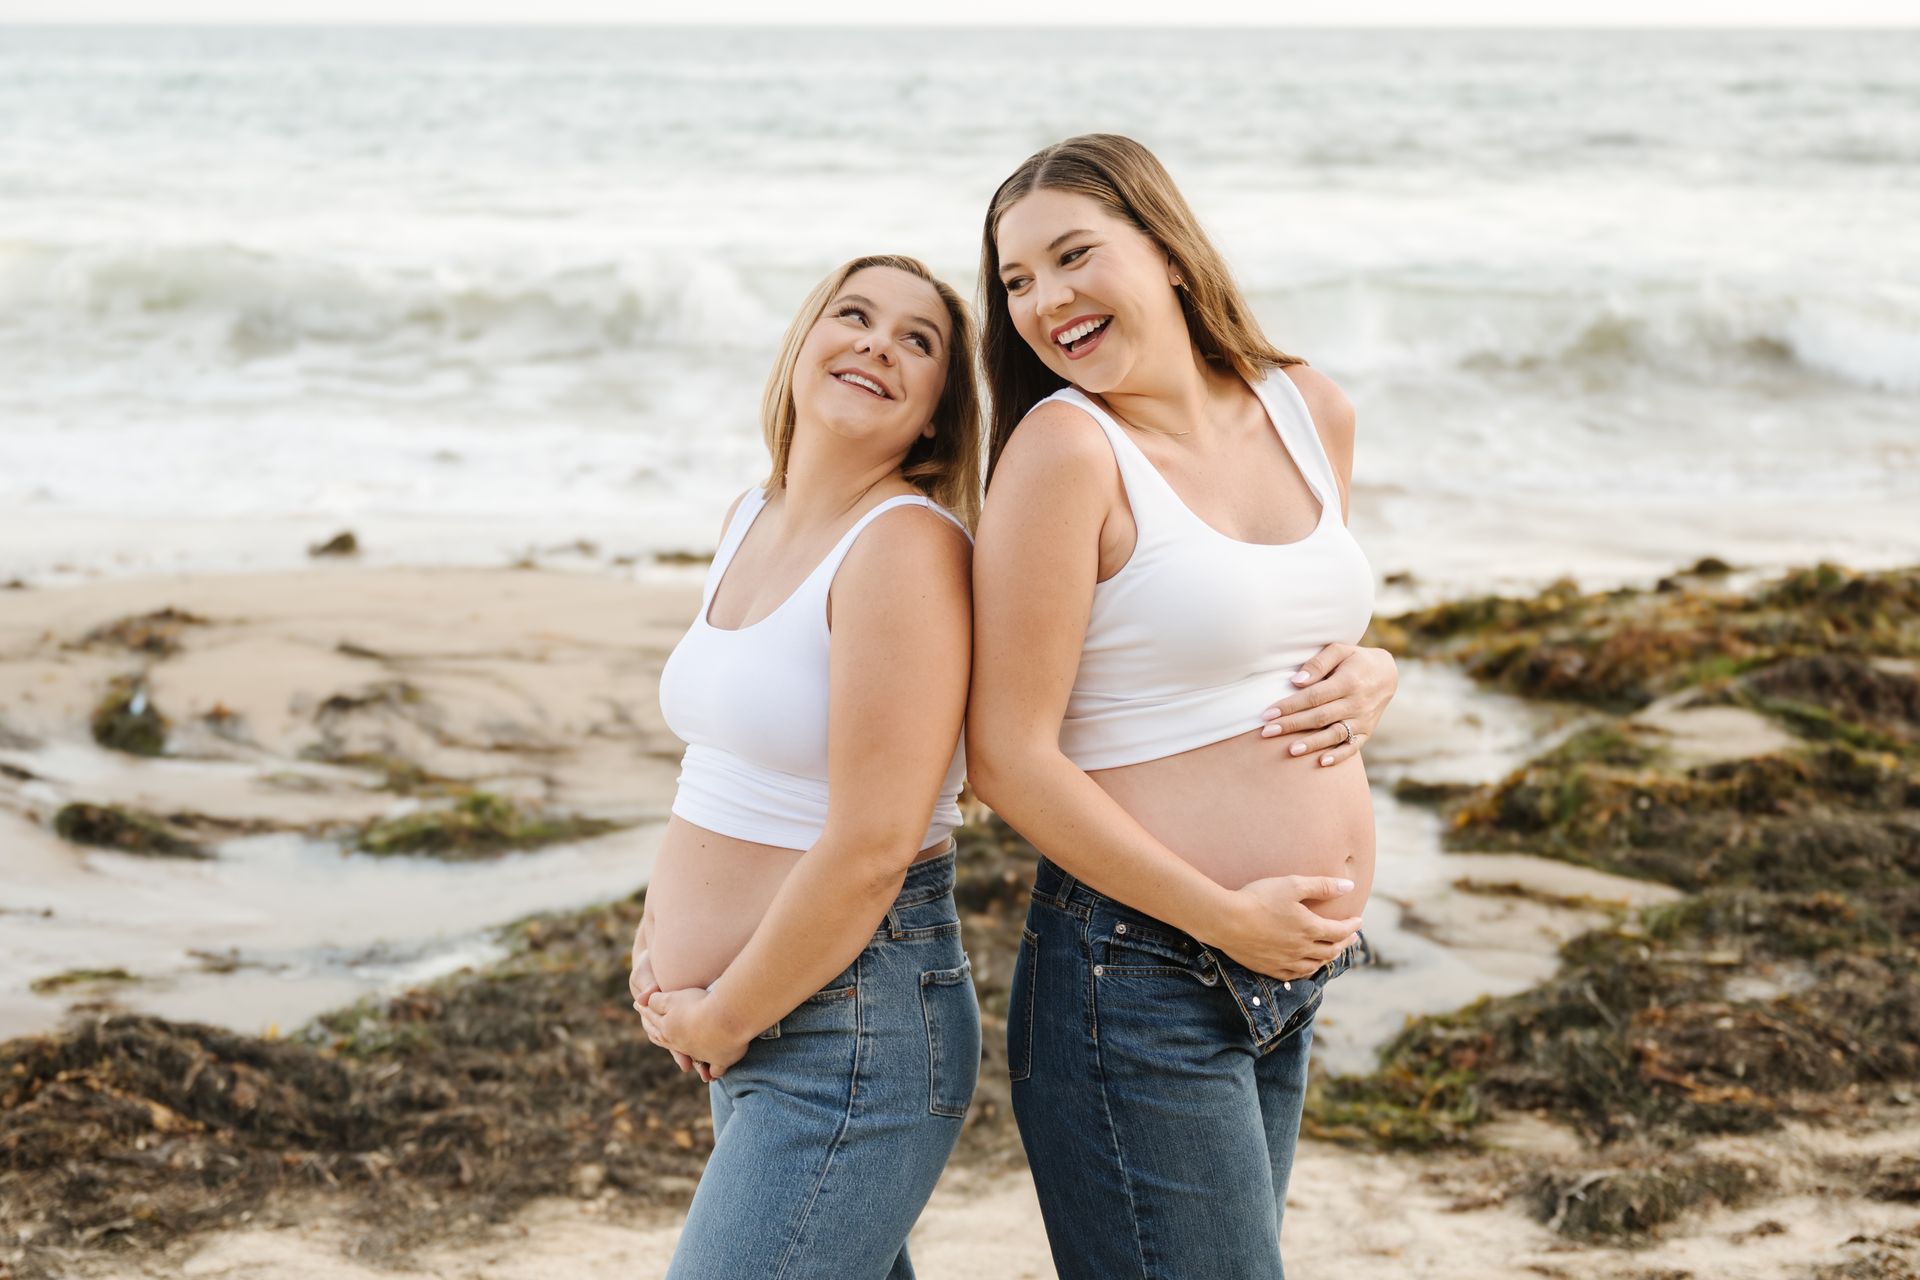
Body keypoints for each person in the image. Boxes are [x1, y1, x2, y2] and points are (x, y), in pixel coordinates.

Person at [967, 134, 1400, 1279]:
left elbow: (1276, 628)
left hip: (1288, 970)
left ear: (1165, 247)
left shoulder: (1308, 406)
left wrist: (1377, 667)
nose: (1045, 300)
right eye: (1017, 280)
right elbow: (1006, 754)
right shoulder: (1066, 451)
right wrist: (1222, 915)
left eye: (1074, 255)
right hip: (1141, 974)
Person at [631, 254, 981, 1280]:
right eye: (855, 314)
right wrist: (658, 940)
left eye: (917, 340)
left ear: (936, 414)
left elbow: (875, 844)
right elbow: (720, 762)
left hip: (848, 1028)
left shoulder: (907, 548)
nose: (877, 342)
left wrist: (724, 1011)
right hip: (755, 1013)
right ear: (802, 345)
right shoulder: (750, 514)